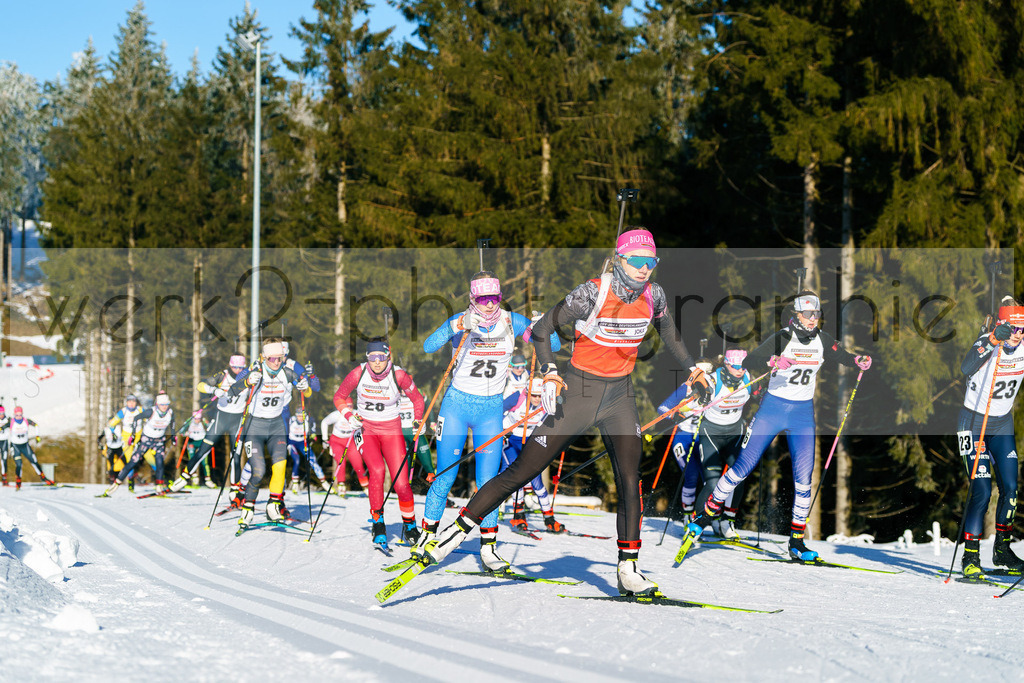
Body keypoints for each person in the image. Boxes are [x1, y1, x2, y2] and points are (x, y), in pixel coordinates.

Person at [423, 228, 711, 595]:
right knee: (524, 469)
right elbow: (543, 329)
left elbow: (669, 332)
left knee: (628, 476)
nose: (644, 269)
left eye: (650, 261)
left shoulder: (654, 295)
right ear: (620, 259)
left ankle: (628, 568)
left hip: (620, 396)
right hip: (579, 391)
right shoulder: (592, 292)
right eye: (636, 261)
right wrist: (551, 373)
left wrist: (692, 369)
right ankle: (454, 533)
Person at [682, 291, 870, 562]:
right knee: (741, 469)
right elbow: (751, 361)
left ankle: (796, 542)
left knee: (804, 479)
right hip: (772, 410)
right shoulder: (782, 338)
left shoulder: (822, 339)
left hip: (802, 415)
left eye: (816, 313)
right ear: (796, 315)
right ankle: (704, 516)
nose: (813, 318)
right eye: (808, 314)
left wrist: (857, 361)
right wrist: (772, 361)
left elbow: (840, 354)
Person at [415, 271, 559, 572]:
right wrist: (456, 325)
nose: (490, 305)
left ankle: (489, 548)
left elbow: (553, 346)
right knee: (445, 476)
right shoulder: (462, 321)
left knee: (489, 482)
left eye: (494, 297)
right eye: (483, 299)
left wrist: (545, 326)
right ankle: (426, 537)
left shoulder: (511, 321)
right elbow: (428, 346)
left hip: (490, 412)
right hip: (456, 406)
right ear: (472, 299)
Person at [334, 339, 425, 547]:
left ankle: (409, 525)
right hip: (366, 429)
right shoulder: (359, 373)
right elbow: (339, 396)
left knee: (401, 483)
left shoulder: (398, 375)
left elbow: (418, 400)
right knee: (376, 470)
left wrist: (418, 420)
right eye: (372, 358)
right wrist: (349, 415)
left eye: (381, 357)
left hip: (392, 430)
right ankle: (378, 522)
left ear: (388, 357)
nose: (377, 362)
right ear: (367, 358)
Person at [957, 299, 1024, 576]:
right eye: (1014, 327)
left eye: (1023, 328)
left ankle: (1002, 551)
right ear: (1001, 325)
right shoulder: (988, 341)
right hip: (972, 424)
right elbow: (966, 367)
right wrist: (995, 338)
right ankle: (970, 558)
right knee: (982, 489)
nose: (1018, 334)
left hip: (1002, 424)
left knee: (1010, 489)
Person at [229, 338, 311, 529]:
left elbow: (307, 393)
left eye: (279, 358)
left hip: (276, 427)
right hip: (255, 428)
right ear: (264, 357)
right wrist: (247, 381)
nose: (276, 362)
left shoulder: (287, 373)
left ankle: (273, 505)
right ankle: (247, 508)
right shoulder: (256, 373)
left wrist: (304, 387)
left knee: (280, 467)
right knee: (259, 470)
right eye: (272, 358)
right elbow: (232, 390)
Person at [692, 349, 755, 539]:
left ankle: (727, 521)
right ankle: (697, 523)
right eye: (735, 366)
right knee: (712, 484)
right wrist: (699, 392)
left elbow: (757, 393)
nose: (740, 370)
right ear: (726, 364)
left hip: (734, 433)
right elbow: (698, 384)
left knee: (738, 477)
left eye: (743, 366)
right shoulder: (713, 379)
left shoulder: (747, 378)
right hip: (711, 434)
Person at [168, 355, 248, 495]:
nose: (237, 370)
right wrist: (214, 390)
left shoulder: (248, 377)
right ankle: (183, 478)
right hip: (221, 419)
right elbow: (201, 385)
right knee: (204, 449)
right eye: (235, 367)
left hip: (237, 420)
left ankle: (235, 490)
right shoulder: (222, 375)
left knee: (235, 456)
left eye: (240, 367)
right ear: (230, 365)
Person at [501, 377, 565, 533]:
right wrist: (502, 431)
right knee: (518, 479)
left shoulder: (547, 403)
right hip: (512, 442)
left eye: (539, 395)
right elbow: (497, 409)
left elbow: (560, 419)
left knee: (537, 483)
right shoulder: (518, 398)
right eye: (533, 395)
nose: (536, 399)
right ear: (528, 393)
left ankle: (549, 519)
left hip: (531, 443)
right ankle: (519, 516)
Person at [656, 362, 711, 525]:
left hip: (705, 437)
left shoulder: (714, 388)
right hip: (683, 437)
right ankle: (688, 516)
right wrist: (674, 416)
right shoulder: (686, 389)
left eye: (708, 373)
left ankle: (710, 516)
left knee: (710, 478)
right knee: (691, 474)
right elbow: (662, 408)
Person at [104, 392, 176, 494]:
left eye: (133, 402)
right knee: (131, 460)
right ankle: (128, 484)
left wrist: (172, 435)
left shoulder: (140, 409)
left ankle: (161, 483)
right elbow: (111, 424)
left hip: (141, 436)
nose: (132, 404)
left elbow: (164, 420)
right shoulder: (123, 412)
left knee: (155, 461)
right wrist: (113, 433)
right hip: (127, 438)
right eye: (129, 402)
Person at [321, 409, 368, 494]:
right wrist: (324, 439)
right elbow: (324, 422)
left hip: (350, 441)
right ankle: (341, 485)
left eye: (350, 406)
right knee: (341, 463)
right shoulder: (337, 414)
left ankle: (365, 486)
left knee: (358, 463)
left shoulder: (356, 413)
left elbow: (367, 422)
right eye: (347, 406)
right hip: (337, 441)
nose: (348, 409)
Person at [286, 408, 329, 494]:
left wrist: (313, 438)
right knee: (297, 460)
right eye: (298, 416)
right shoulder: (291, 420)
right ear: (295, 415)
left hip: (303, 442)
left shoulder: (309, 421)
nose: (300, 418)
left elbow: (313, 432)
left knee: (313, 461)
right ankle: (295, 483)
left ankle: (324, 482)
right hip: (292, 442)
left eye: (302, 416)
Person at [8, 407, 53, 488]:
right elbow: (2, 427)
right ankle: (18, 481)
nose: (19, 416)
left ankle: (43, 478)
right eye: (17, 415)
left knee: (34, 461)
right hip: (15, 446)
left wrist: (37, 436)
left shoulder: (26, 421)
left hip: (25, 445)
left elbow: (36, 425)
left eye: (20, 414)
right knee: (19, 464)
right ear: (14, 415)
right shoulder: (11, 422)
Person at [398, 393, 434, 480]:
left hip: (416, 432)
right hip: (400, 433)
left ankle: (436, 485)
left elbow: (428, 402)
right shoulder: (393, 391)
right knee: (404, 466)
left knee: (428, 465)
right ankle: (405, 488)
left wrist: (432, 422)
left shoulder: (417, 391)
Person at [183, 410, 216, 489]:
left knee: (204, 461)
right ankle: (194, 478)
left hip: (202, 441)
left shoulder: (203, 421)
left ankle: (208, 480)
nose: (197, 420)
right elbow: (181, 431)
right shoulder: (189, 421)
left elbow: (212, 429)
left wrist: (211, 425)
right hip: (192, 442)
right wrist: (185, 433)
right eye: (196, 419)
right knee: (192, 460)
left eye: (199, 419)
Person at [0, 406, 10, 486]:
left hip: (4, 442)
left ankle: (4, 477)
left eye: (2, 413)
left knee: (4, 460)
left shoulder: (8, 419)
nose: (1, 415)